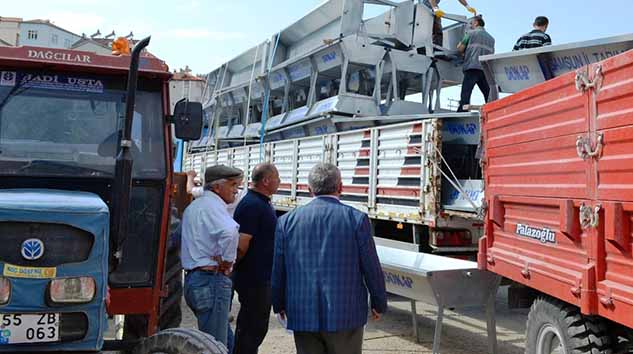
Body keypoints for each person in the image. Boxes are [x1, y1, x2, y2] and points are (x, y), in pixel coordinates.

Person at [271, 163, 387, 354]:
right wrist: (378, 303)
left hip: (302, 312)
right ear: (340, 187)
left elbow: (278, 268)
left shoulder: (286, 222)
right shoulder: (356, 219)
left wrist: (279, 303)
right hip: (346, 313)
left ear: (309, 190)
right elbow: (371, 266)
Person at [181, 164, 243, 353]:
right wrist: (227, 261)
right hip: (210, 280)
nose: (236, 190)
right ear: (217, 187)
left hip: (196, 278)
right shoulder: (213, 206)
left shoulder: (195, 205)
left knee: (225, 344)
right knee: (216, 347)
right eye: (233, 185)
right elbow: (230, 232)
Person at [232, 163, 281, 354]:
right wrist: (235, 267)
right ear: (266, 181)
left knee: (256, 326)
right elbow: (242, 244)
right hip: (254, 279)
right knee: (252, 327)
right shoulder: (252, 205)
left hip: (260, 277)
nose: (279, 181)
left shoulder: (260, 202)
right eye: (277, 178)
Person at [456, 15, 495, 112]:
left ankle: (462, 111)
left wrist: (459, 46)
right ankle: (493, 111)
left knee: (466, 92)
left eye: (471, 23)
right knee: (488, 94)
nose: (470, 25)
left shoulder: (470, 34)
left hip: (472, 66)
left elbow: (460, 49)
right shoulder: (491, 39)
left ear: (476, 23)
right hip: (485, 70)